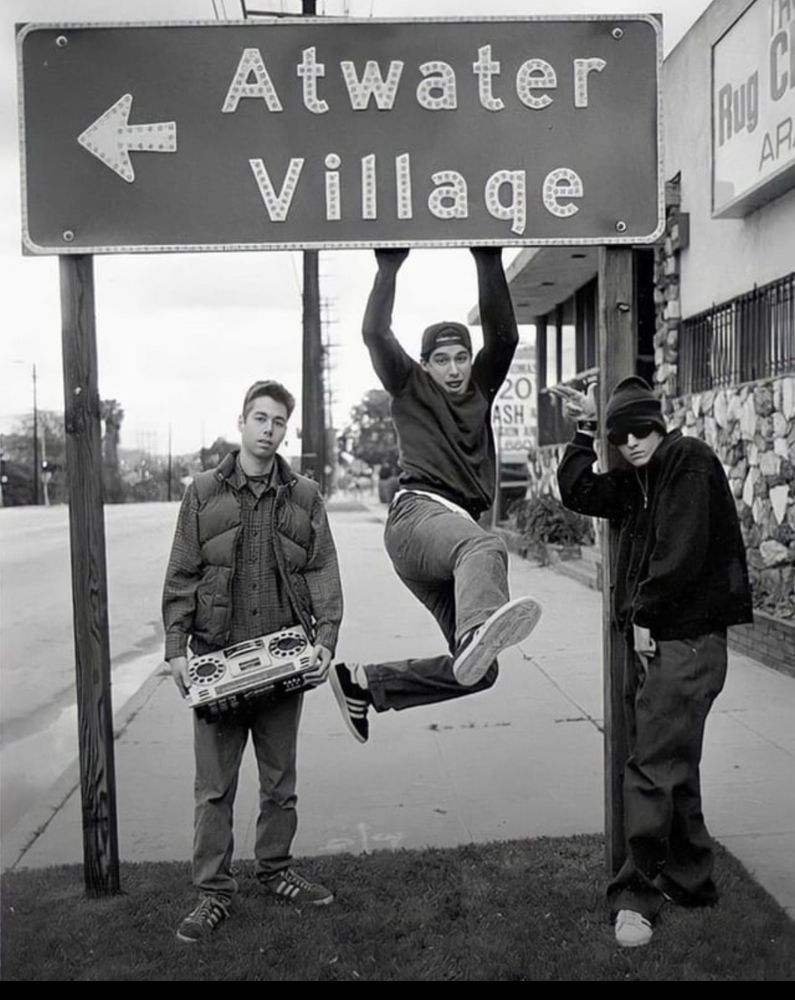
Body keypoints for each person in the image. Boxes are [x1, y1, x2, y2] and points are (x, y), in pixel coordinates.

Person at [552, 376, 753, 948]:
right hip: (671, 642)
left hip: (686, 642)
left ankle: (635, 896)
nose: (632, 442)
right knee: (674, 766)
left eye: (641, 429)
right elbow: (580, 492)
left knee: (651, 768)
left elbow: (680, 552)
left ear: (660, 425)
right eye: (620, 436)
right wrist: (586, 429)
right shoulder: (641, 477)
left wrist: (644, 613)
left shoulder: (688, 460)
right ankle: (691, 880)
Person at [330, 248, 541, 743]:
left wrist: (488, 260)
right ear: (425, 365)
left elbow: (505, 337)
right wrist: (388, 268)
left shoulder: (481, 388)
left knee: (479, 669)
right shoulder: (408, 385)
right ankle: (477, 628)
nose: (453, 369)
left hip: (449, 538)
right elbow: (375, 334)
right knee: (484, 547)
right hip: (417, 517)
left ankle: (367, 684)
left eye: (461, 358)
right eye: (442, 361)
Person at [162, 379, 343, 943]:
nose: (269, 429)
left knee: (280, 783)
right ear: (241, 422)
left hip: (283, 663)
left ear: (287, 429)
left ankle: (276, 870)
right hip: (217, 662)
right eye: (260, 418)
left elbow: (322, 569)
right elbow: (183, 572)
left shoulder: (305, 496)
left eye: (278, 421)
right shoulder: (202, 493)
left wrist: (326, 638)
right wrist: (175, 648)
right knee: (214, 789)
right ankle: (213, 893)